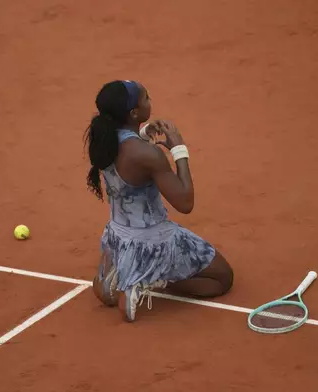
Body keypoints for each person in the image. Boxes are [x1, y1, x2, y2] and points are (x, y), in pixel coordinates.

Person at [84, 80, 233, 322]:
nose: (150, 100)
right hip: (154, 241)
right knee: (222, 279)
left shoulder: (103, 138)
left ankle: (115, 276)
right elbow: (185, 203)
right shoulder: (148, 155)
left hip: (118, 235)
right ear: (134, 112)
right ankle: (149, 278)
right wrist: (179, 150)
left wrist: (140, 132)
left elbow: (127, 152)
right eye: (146, 98)